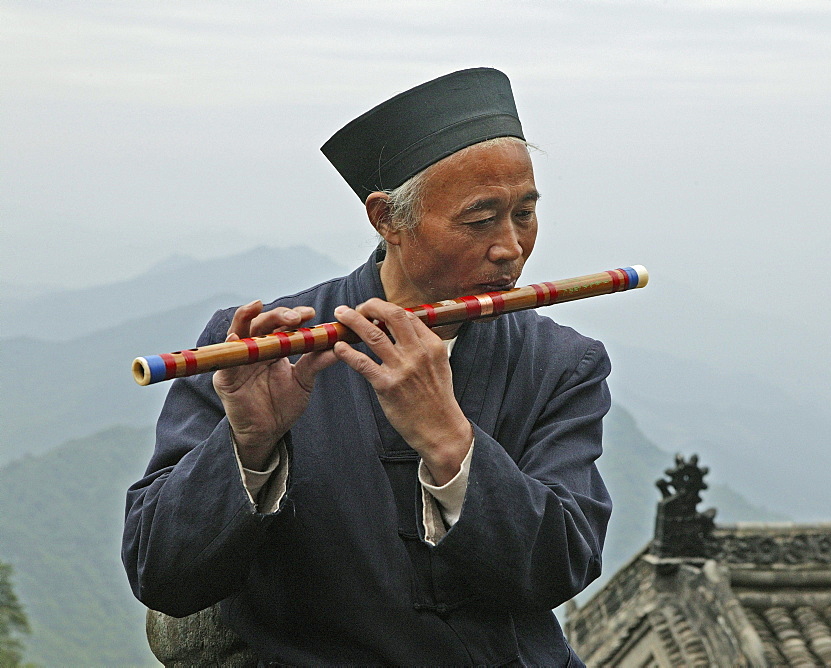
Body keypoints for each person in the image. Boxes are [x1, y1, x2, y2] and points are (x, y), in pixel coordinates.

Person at [123, 67, 612, 666]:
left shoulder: (562, 363)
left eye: (525, 213)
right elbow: (162, 575)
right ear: (387, 220)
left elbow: (561, 566)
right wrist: (247, 442)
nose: (510, 247)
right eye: (480, 220)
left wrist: (449, 439)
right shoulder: (265, 349)